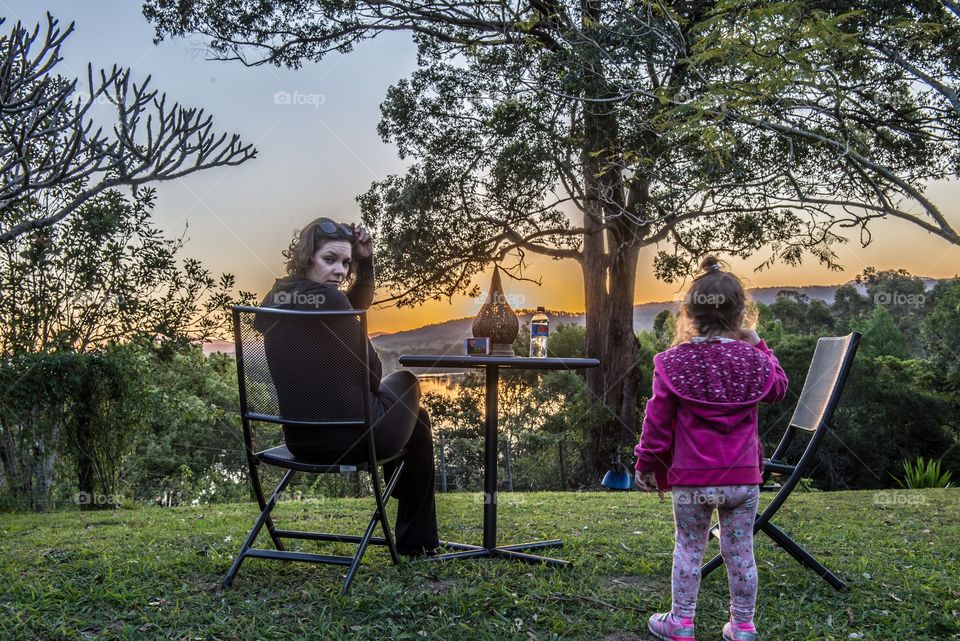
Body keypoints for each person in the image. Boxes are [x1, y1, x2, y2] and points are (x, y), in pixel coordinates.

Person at [256, 216, 439, 557]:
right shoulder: (331, 302)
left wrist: (365, 262)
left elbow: (347, 306)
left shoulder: (275, 298)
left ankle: (413, 516)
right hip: (354, 439)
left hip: (300, 441)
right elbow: (372, 377)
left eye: (346, 263)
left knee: (418, 422)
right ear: (307, 257)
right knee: (407, 382)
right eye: (330, 260)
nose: (340, 271)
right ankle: (417, 540)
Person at [634, 256, 788, 641]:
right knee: (741, 553)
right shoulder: (753, 360)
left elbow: (657, 420)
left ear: (689, 312)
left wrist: (646, 461)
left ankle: (681, 623)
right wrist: (761, 345)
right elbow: (779, 389)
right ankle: (743, 626)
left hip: (691, 480)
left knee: (688, 548)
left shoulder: (673, 362)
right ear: (740, 314)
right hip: (742, 480)